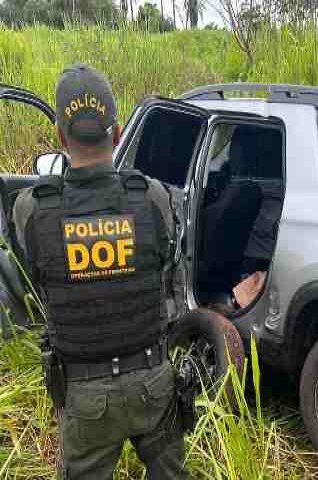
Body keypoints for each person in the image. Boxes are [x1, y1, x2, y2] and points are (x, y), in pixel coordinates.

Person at [11, 64, 186, 479]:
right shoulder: (154, 198)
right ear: (118, 131)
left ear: (59, 136)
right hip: (153, 382)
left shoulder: (31, 210)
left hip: (85, 396)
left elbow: (34, 281)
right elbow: (167, 272)